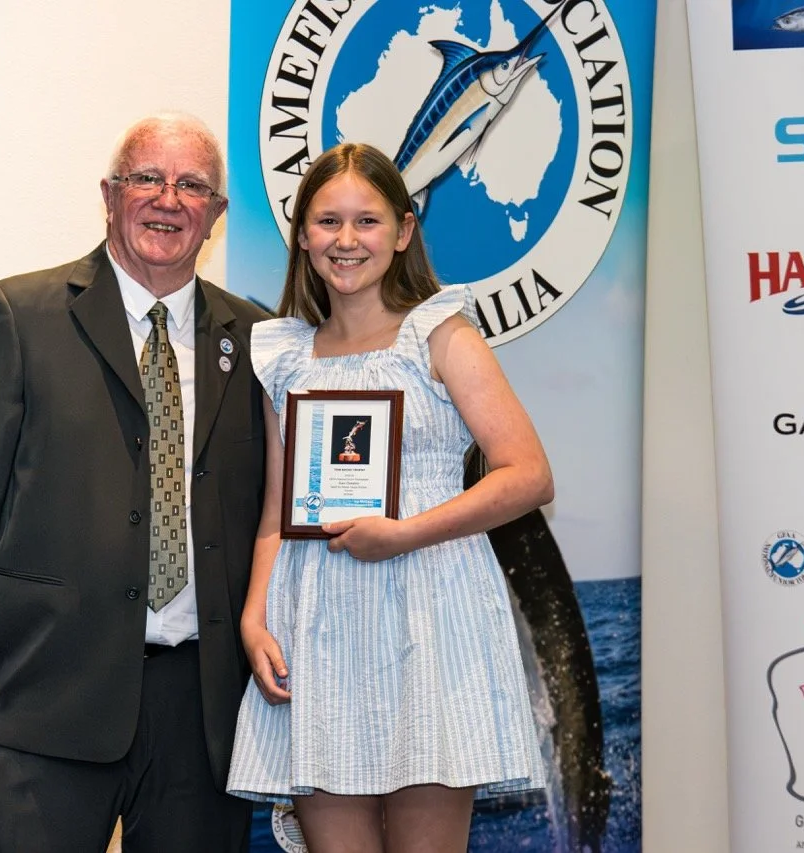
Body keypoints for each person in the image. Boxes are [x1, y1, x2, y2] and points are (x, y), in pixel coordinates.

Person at [0, 112, 268, 853]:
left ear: (217, 215)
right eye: (148, 178)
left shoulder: (254, 338)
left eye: (192, 185)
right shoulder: (20, 316)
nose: (168, 199)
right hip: (46, 693)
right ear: (110, 195)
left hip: (199, 711)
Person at [225, 142, 552, 852]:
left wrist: (402, 532)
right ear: (304, 235)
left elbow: (527, 474)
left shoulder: (442, 335)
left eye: (367, 221)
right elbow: (276, 515)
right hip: (316, 628)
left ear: (403, 231)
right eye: (328, 222)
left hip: (431, 617)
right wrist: (254, 619)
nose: (347, 241)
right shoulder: (285, 356)